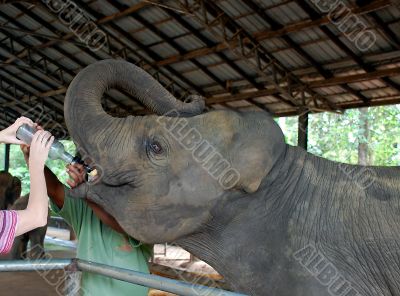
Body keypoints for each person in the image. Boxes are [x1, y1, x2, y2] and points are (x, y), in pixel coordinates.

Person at [21, 141, 151, 296]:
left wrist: (88, 195)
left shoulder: (141, 206)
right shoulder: (84, 207)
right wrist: (31, 156)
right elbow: (54, 189)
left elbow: (126, 226)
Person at [0, 117, 54, 254]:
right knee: (33, 246)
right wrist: (36, 162)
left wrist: (2, 135)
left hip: (20, 209)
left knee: (31, 245)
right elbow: (37, 216)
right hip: (24, 211)